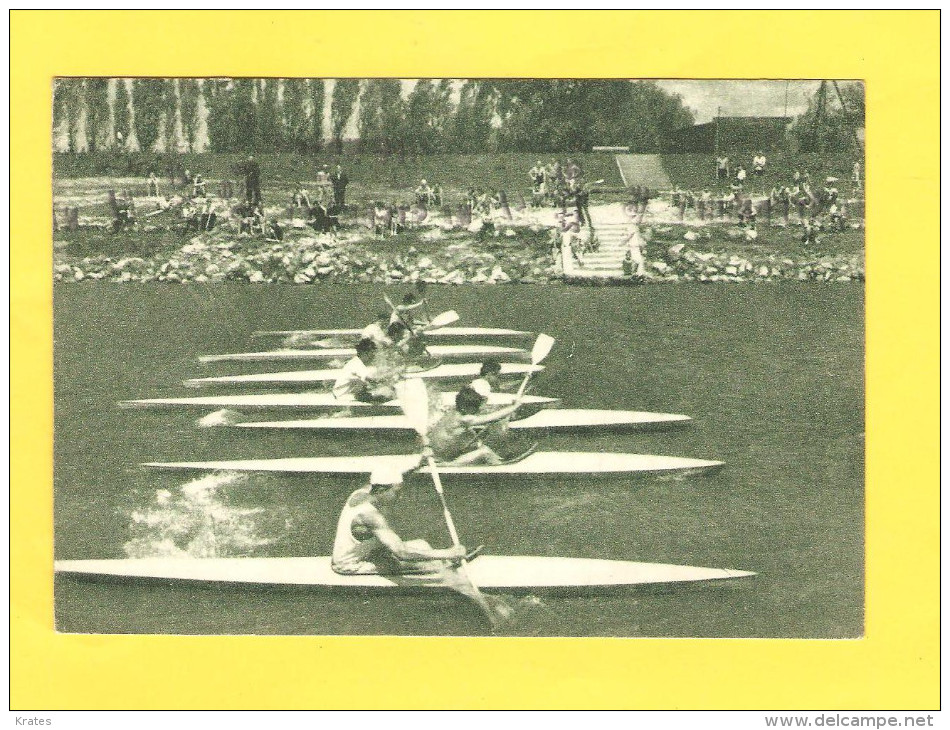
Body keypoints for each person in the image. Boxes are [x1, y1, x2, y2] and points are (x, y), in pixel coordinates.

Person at [427, 382, 531, 466]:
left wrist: (508, 407)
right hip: (443, 461)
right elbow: (491, 417)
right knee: (485, 451)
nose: (477, 410)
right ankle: (503, 467)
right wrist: (514, 407)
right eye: (474, 408)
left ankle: (498, 459)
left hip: (438, 453)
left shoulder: (453, 411)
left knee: (475, 440)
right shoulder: (463, 419)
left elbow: (488, 414)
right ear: (466, 407)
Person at [332, 338, 395, 403]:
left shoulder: (356, 362)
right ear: (365, 353)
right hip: (344, 396)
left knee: (383, 394)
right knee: (384, 397)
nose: (373, 355)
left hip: (344, 393)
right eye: (372, 353)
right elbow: (372, 380)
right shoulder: (357, 365)